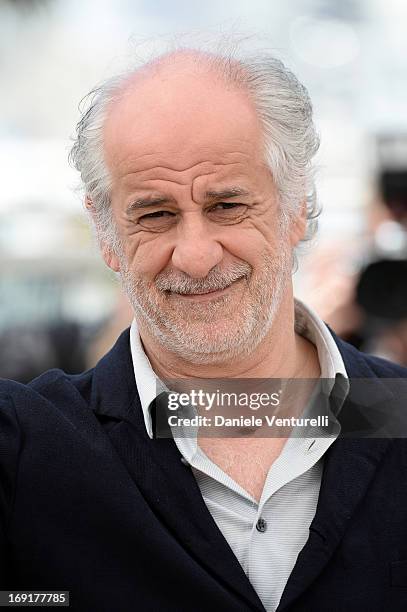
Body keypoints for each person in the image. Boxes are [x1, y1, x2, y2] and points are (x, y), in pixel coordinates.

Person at [1, 41, 407, 612]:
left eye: (227, 206)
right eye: (155, 214)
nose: (194, 255)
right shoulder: (25, 449)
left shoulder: (396, 412)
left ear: (296, 205)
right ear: (105, 231)